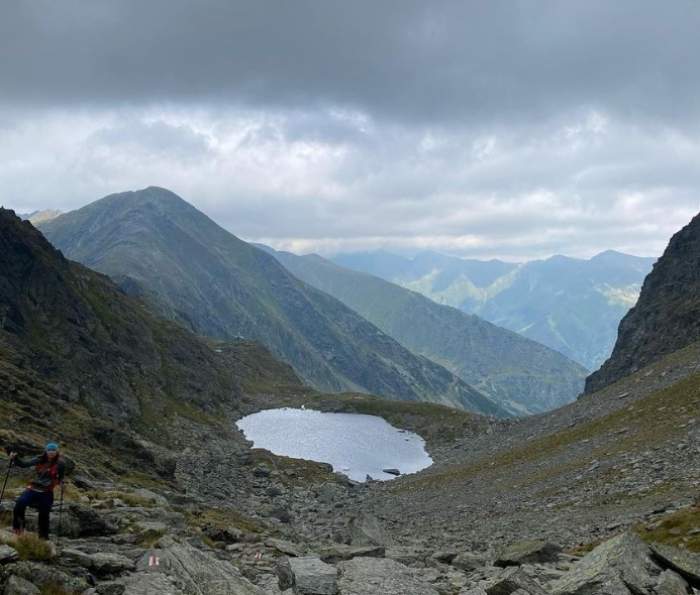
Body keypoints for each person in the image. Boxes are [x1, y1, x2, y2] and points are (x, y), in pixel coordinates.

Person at [10, 442, 65, 539]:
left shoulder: (61, 464)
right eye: (49, 450)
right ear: (46, 451)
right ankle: (18, 529)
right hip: (33, 488)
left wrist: (60, 483)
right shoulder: (39, 459)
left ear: (57, 452)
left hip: (47, 491)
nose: (51, 452)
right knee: (20, 504)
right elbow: (23, 464)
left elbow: (61, 476)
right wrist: (15, 458)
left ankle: (43, 537)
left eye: (53, 450)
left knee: (44, 514)